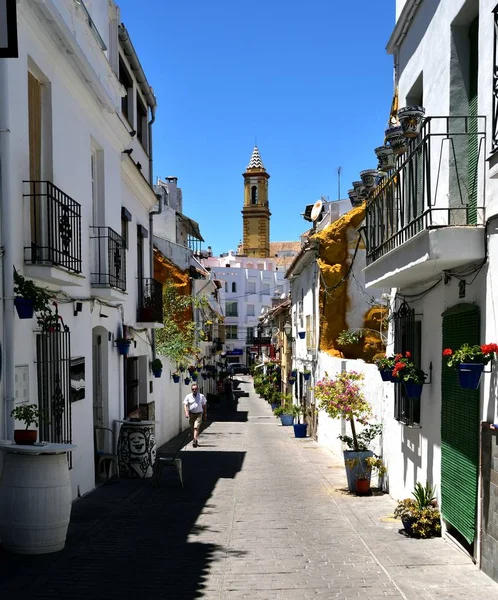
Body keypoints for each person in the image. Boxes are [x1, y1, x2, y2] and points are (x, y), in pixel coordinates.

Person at [183, 383, 207, 447]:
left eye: (195, 389)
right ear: (191, 389)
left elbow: (204, 405)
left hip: (199, 413)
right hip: (191, 414)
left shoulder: (201, 396)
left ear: (197, 389)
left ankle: (195, 440)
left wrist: (205, 414)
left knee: (196, 426)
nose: (194, 390)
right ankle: (195, 438)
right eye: (193, 389)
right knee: (192, 427)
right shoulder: (188, 396)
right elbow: (185, 405)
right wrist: (186, 412)